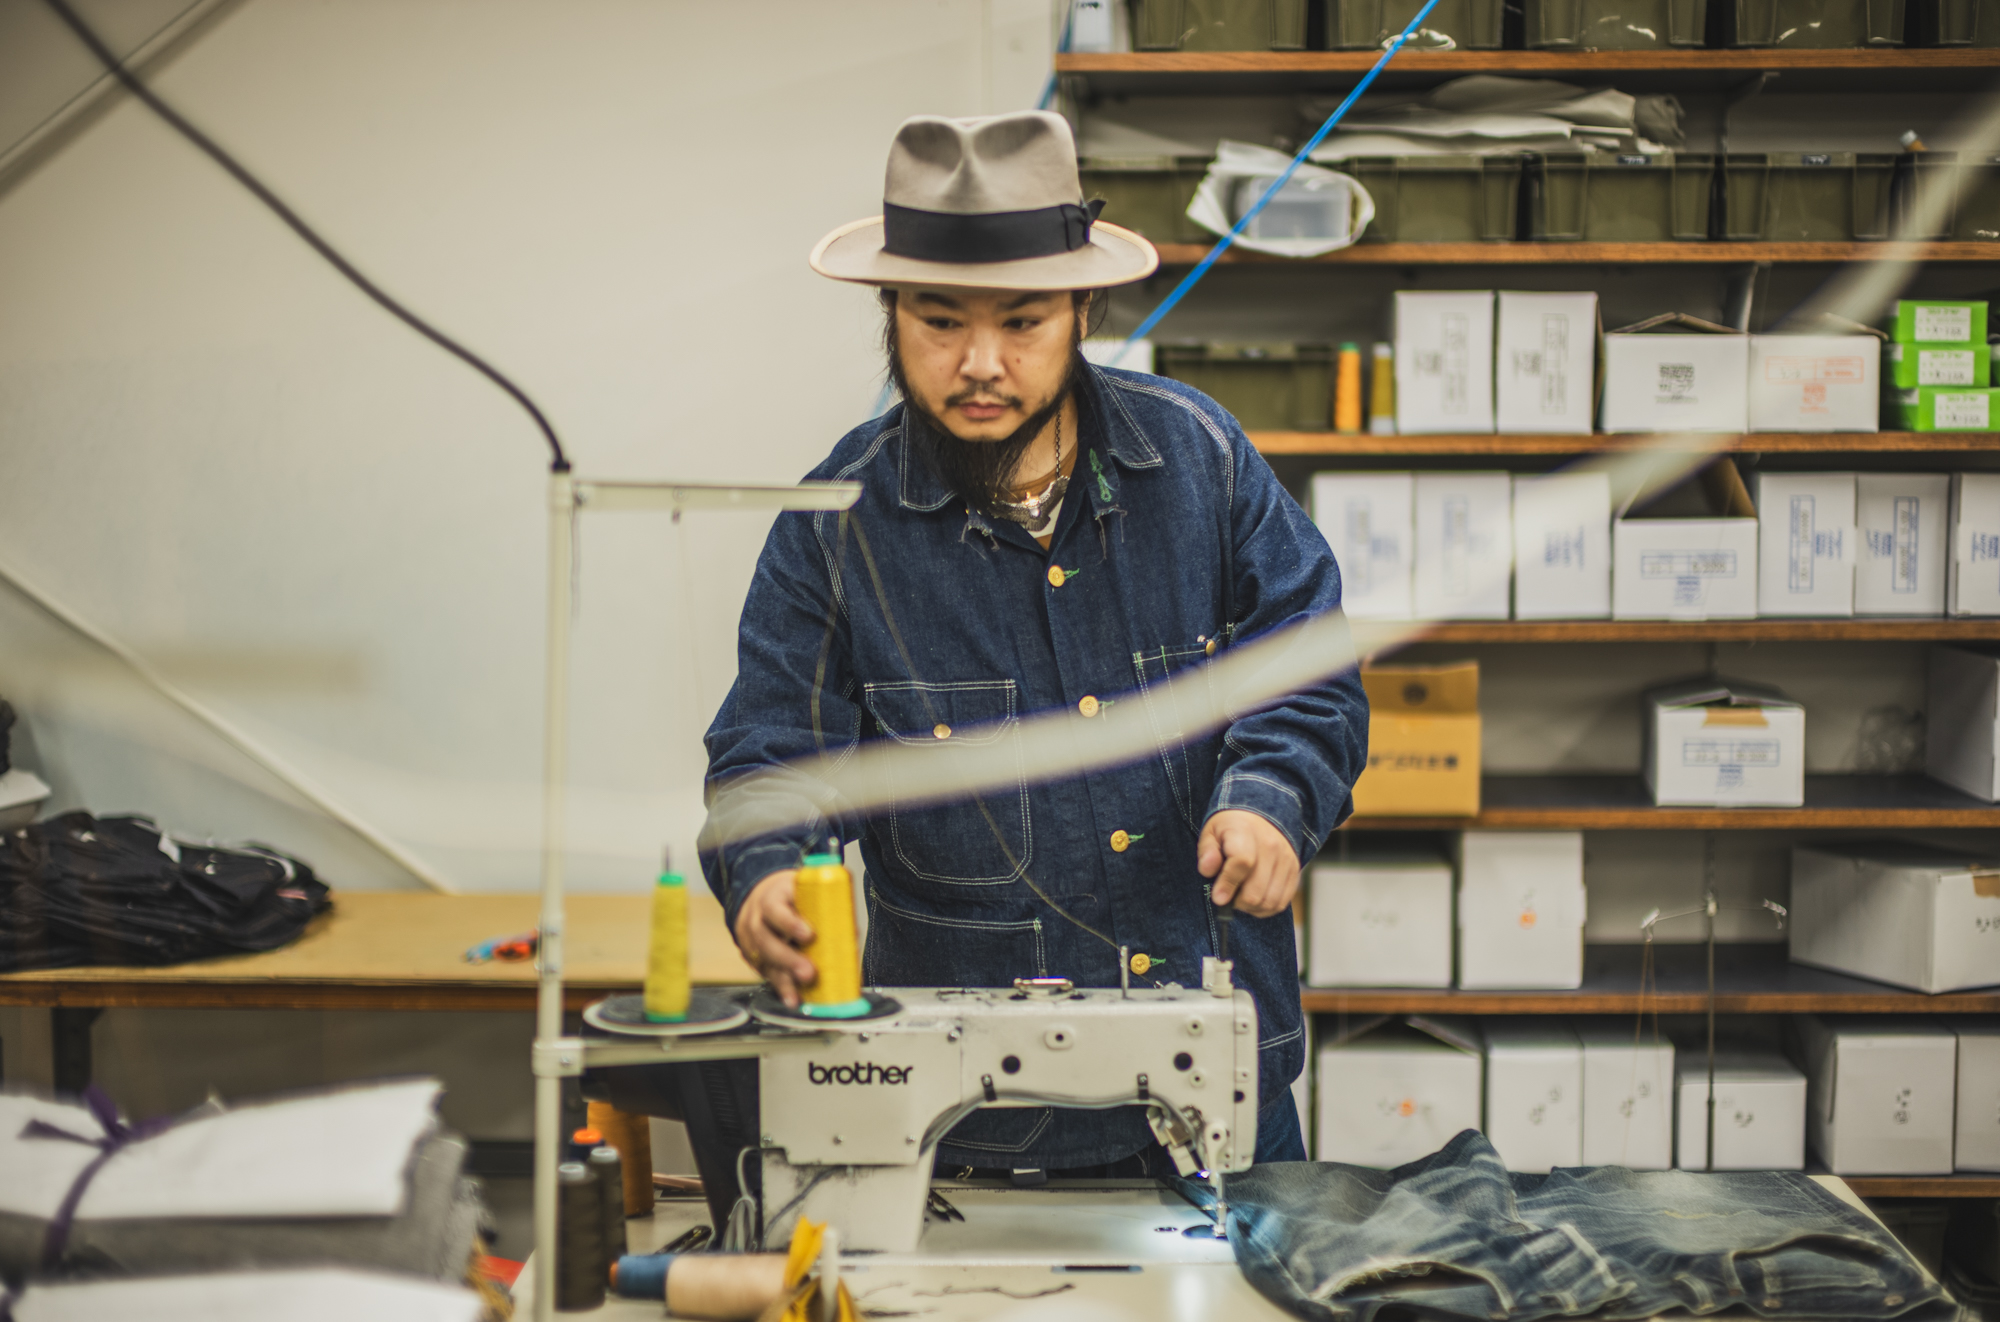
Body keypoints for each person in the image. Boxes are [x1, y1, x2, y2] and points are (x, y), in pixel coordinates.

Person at [699, 110, 1368, 1173]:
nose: (980, 363)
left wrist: (1271, 797)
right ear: (890, 312)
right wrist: (768, 873)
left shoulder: (1201, 459)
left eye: (1021, 322)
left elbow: (1308, 670)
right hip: (967, 1119)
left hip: (1217, 1095)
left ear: (1081, 310)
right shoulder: (833, 524)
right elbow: (770, 757)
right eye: (938, 321)